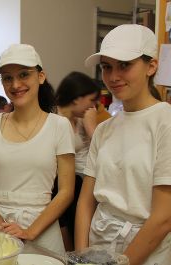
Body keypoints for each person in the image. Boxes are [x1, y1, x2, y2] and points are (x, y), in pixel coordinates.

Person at [75, 24, 171, 265]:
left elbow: (163, 217)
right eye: (107, 67)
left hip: (145, 251)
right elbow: (86, 202)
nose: (113, 76)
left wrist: (121, 263)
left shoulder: (165, 121)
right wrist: (81, 256)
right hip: (100, 245)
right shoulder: (105, 129)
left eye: (124, 65)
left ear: (152, 66)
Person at [0, 44, 75, 255]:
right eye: (7, 78)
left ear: (41, 76)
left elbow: (66, 191)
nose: (15, 84)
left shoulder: (59, 126)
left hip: (43, 228)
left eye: (24, 75)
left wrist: (30, 231)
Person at [54, 71, 101, 251]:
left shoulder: (81, 120)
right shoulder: (53, 118)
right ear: (76, 98)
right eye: (91, 100)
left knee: (79, 234)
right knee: (65, 237)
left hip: (80, 183)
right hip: (57, 186)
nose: (93, 107)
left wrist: (90, 126)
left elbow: (102, 152)